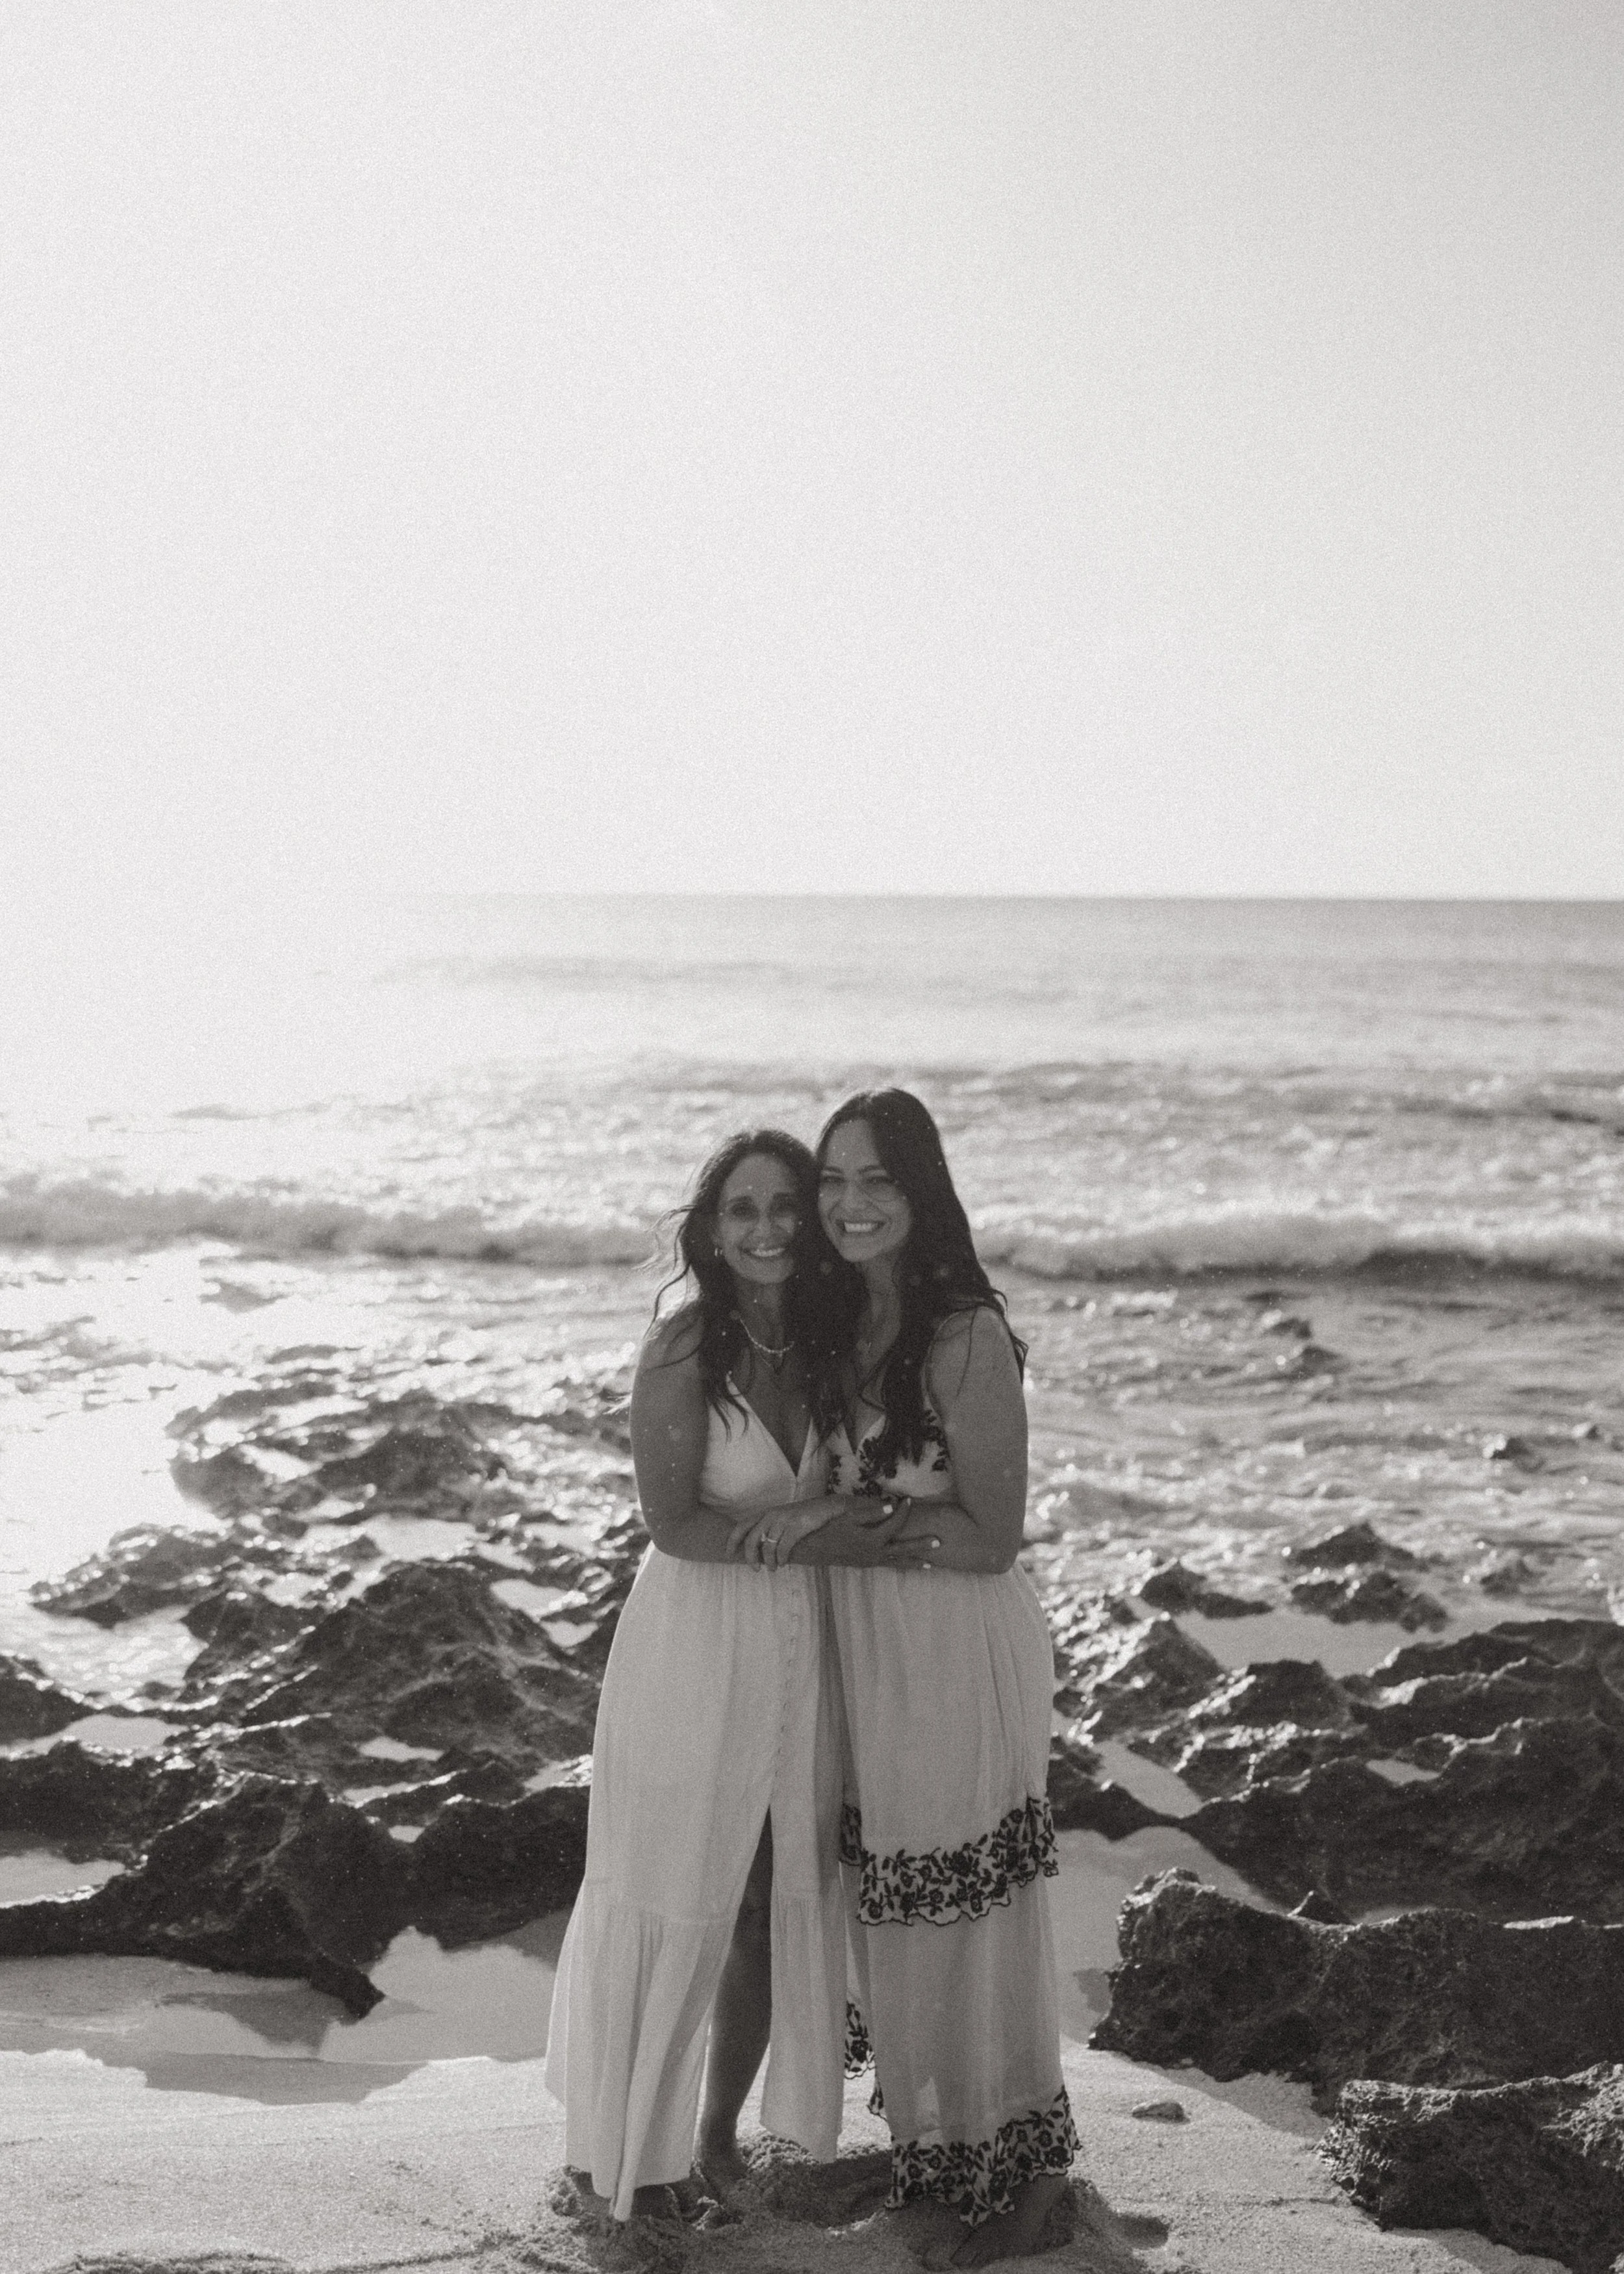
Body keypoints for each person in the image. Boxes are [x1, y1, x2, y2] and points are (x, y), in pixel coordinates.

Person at [544, 1129, 930, 2221]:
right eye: (742, 1210)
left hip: (803, 1646)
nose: (765, 1229)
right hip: (695, 1641)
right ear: (711, 1232)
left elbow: (868, 1480)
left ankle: (710, 2138)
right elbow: (672, 1524)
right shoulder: (683, 1346)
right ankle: (623, 2152)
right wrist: (815, 1535)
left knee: (768, 1897)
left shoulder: (828, 1338)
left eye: (784, 1208)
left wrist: (815, 1520)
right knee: (673, 1887)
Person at [733, 1090, 1076, 2268]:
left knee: (965, 1913)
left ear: (921, 1191)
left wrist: (844, 1516)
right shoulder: (840, 1322)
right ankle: (948, 2162)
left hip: (954, 1648)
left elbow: (994, 1535)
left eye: (875, 1180)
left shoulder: (964, 1333)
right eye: (832, 1182)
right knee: (897, 1912)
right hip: (864, 1654)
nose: (848, 1204)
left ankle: (1020, 2184)